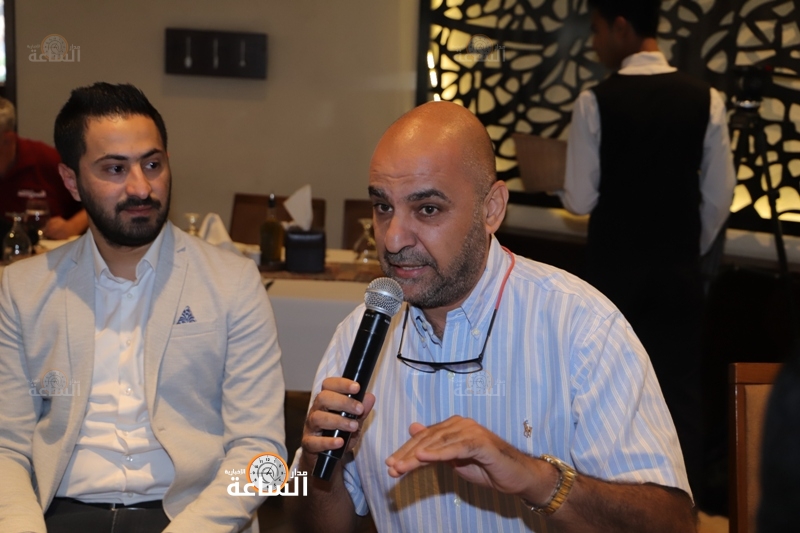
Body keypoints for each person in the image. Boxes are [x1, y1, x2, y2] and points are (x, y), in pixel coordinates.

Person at [288, 101, 696, 532]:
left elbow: (673, 525)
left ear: (492, 209)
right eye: (383, 207)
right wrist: (318, 464)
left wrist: (534, 478)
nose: (392, 239)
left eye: (427, 209)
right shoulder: (359, 334)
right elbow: (312, 527)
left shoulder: (580, 326)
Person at [0, 83, 285, 533]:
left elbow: (262, 451)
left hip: (191, 515)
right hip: (60, 513)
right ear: (71, 181)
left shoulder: (233, 283)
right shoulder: (24, 289)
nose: (141, 187)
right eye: (115, 169)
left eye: (153, 165)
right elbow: (6, 446)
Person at [558, 0, 736, 502]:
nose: (594, 42)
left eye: (597, 29)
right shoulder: (707, 99)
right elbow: (719, 196)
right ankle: (682, 513)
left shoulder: (595, 101)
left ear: (621, 27)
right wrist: (687, 248)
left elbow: (579, 199)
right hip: (678, 276)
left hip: (611, 278)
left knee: (605, 395)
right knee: (680, 394)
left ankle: (607, 511)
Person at [0, 96, 88, 239]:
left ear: (7, 139)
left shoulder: (45, 160)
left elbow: (98, 201)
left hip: (51, 249)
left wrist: (72, 226)